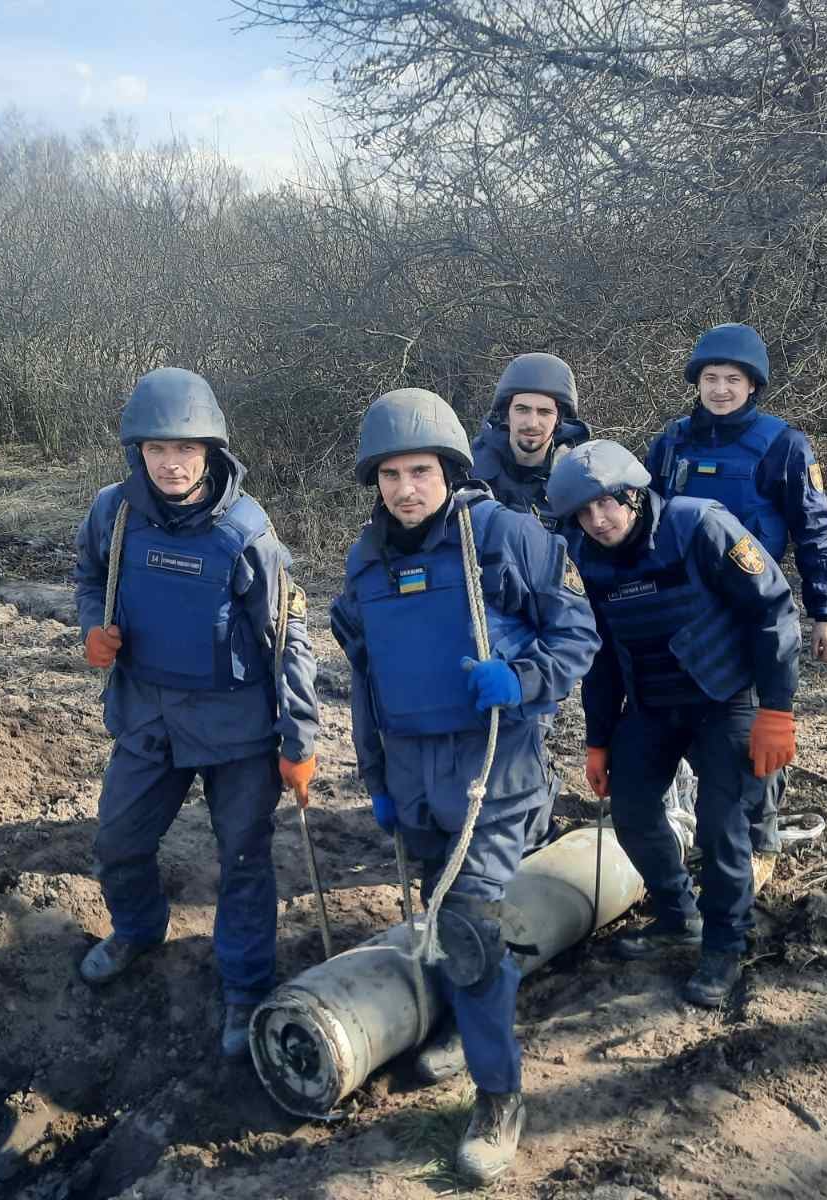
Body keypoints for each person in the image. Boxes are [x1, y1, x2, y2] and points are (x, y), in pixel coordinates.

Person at [330, 388, 599, 1183]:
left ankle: (498, 1097)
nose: (405, 489)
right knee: (444, 922)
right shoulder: (367, 559)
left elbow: (577, 631)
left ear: (448, 468)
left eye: (420, 471)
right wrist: (375, 778)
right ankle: (459, 1029)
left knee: (474, 929)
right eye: (389, 476)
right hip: (413, 778)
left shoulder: (506, 537)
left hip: (496, 774)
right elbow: (364, 679)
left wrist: (520, 679)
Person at [71, 367, 321, 1059]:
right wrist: (92, 626)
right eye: (157, 449)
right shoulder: (112, 514)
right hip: (147, 717)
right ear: (138, 453)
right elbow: (90, 577)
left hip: (237, 727)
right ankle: (138, 929)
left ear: (211, 452)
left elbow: (288, 638)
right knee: (119, 843)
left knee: (242, 861)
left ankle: (244, 987)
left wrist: (299, 737)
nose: (172, 463)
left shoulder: (246, 534)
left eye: (186, 449)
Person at [546, 440, 801, 1008]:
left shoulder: (701, 526)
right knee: (633, 811)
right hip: (653, 704)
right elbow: (603, 654)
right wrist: (598, 739)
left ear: (635, 495)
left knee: (720, 824)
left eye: (607, 504)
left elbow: (773, 612)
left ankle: (724, 944)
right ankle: (675, 914)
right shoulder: (587, 558)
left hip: (726, 697)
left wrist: (777, 710)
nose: (598, 520)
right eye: (583, 514)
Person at [645, 323, 827, 883]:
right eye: (711, 378)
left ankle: (759, 839)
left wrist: (825, 611)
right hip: (679, 610)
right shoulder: (672, 441)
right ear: (697, 383)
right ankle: (689, 822)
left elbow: (815, 532)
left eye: (733, 379)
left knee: (755, 725)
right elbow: (642, 520)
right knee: (679, 718)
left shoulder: (785, 446)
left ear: (753, 386)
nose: (721, 389)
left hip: (752, 609)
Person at [470, 352, 591, 530]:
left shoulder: (580, 478)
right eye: (522, 409)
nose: (532, 423)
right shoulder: (468, 470)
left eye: (544, 412)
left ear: (559, 419)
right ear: (506, 413)